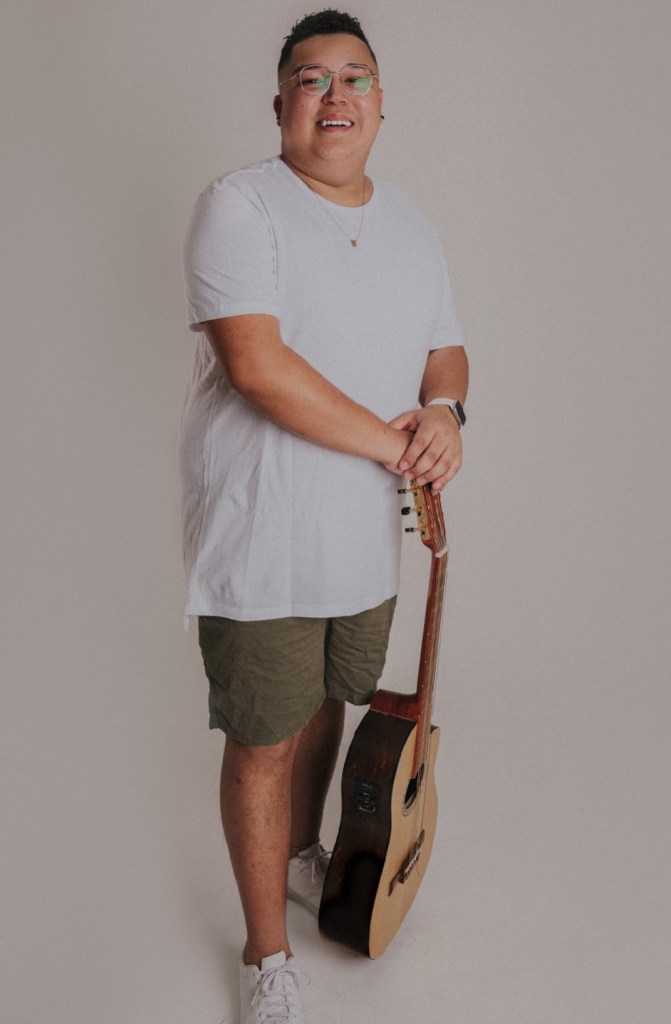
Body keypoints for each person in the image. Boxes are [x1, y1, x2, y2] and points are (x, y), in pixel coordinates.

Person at [180, 9, 468, 1023]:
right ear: (281, 105)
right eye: (311, 79)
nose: (334, 96)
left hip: (367, 534)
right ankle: (265, 956)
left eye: (354, 77)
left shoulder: (411, 223)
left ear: (380, 103)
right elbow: (257, 367)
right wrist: (398, 447)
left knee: (328, 702)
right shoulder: (239, 207)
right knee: (264, 735)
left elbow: (443, 349)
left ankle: (303, 855)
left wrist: (446, 410)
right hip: (263, 532)